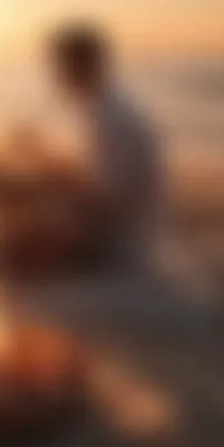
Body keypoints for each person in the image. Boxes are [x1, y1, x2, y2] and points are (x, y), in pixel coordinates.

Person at [48, 23, 161, 273]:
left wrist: (51, 187)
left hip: (118, 246)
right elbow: (96, 176)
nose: (56, 78)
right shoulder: (103, 109)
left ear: (80, 66)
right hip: (114, 231)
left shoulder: (112, 118)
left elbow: (105, 202)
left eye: (60, 68)